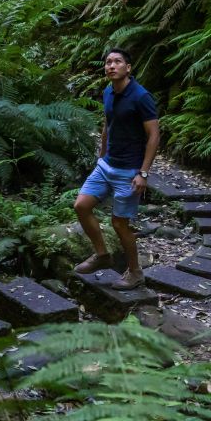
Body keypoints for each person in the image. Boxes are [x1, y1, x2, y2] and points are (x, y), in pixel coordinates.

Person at [73, 48, 160, 290]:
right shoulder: (108, 92)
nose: (111, 66)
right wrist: (101, 156)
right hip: (106, 165)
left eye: (117, 62)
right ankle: (102, 255)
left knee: (119, 224)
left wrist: (143, 173)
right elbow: (107, 124)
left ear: (128, 67)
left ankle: (135, 272)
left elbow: (153, 136)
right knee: (81, 206)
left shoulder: (141, 97)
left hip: (129, 170)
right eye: (108, 62)